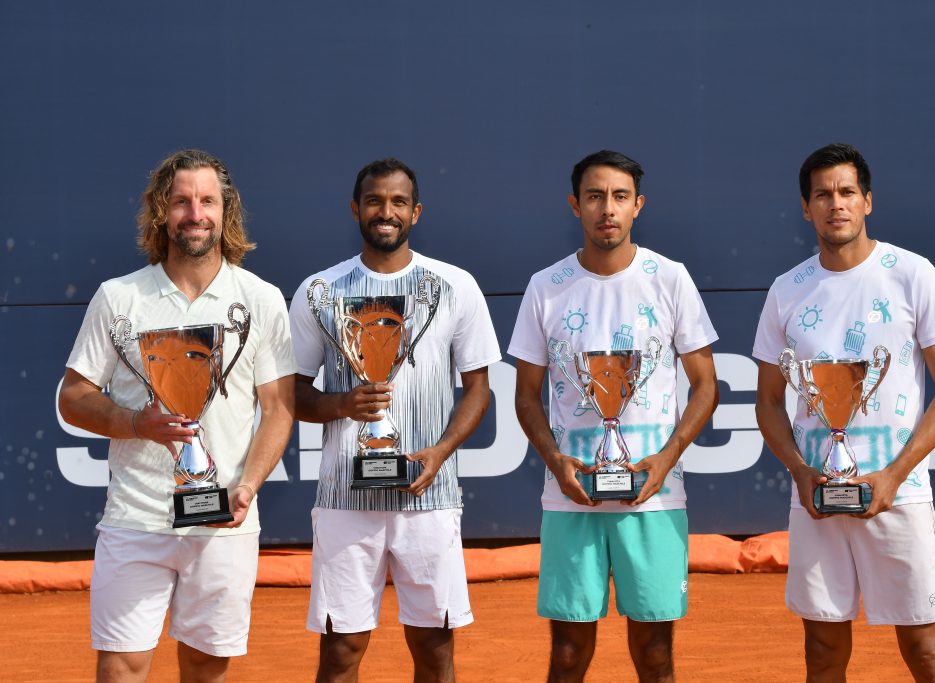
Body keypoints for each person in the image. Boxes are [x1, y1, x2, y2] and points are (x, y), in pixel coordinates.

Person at [58, 149, 296, 682]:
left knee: (206, 669)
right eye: (182, 201)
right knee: (122, 667)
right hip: (136, 518)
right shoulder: (118, 298)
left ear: (225, 211)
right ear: (161, 213)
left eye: (207, 201)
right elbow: (72, 398)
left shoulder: (261, 299)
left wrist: (249, 486)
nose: (195, 213)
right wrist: (136, 423)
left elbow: (280, 408)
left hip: (224, 523)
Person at [754, 143, 935, 682]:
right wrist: (802, 474)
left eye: (847, 192)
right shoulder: (787, 291)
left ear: (867, 201)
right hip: (817, 501)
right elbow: (768, 402)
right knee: (823, 655)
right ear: (806, 208)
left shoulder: (912, 274)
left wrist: (895, 475)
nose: (836, 204)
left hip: (900, 493)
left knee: (925, 651)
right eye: (822, 195)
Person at [508, 150, 719, 683]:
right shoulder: (545, 286)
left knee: (655, 656)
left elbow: (705, 385)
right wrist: (557, 462)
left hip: (655, 500)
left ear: (637, 206)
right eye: (595, 197)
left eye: (620, 197)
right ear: (575, 205)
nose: (608, 209)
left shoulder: (669, 279)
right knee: (568, 655)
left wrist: (666, 461)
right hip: (570, 497)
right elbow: (527, 395)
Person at [289, 158, 501, 683]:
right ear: (356, 209)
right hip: (345, 499)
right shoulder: (319, 291)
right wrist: (342, 405)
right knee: (341, 652)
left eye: (398, 202)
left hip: (427, 497)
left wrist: (441, 452)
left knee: (434, 649)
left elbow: (478, 389)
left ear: (416, 211)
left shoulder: (455, 286)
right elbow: (290, 395)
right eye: (375, 201)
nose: (386, 212)